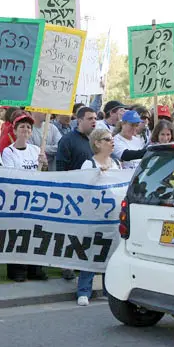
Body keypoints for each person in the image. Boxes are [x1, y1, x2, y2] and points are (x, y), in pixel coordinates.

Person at [1, 113, 48, 283]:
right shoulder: (9, 151)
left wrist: (44, 164)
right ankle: (17, 270)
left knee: (36, 234)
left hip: (36, 199)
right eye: (22, 126)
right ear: (14, 130)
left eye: (28, 127)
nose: (26, 129)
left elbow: (43, 175)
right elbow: (11, 174)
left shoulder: (37, 150)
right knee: (18, 235)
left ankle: (35, 268)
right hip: (18, 199)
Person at [77, 128, 120, 306]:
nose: (112, 141)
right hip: (94, 216)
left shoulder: (117, 163)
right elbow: (82, 188)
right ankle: (83, 290)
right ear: (97, 143)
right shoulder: (89, 165)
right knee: (91, 252)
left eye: (112, 139)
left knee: (111, 253)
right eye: (107, 139)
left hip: (113, 215)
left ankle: (108, 289)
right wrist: (96, 176)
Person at [55, 106, 97, 281]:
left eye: (95, 118)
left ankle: (82, 264)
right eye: (90, 118)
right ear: (79, 121)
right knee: (69, 232)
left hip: (90, 194)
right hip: (72, 193)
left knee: (85, 233)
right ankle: (67, 265)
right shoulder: (67, 140)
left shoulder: (96, 141)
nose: (94, 121)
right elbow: (61, 167)